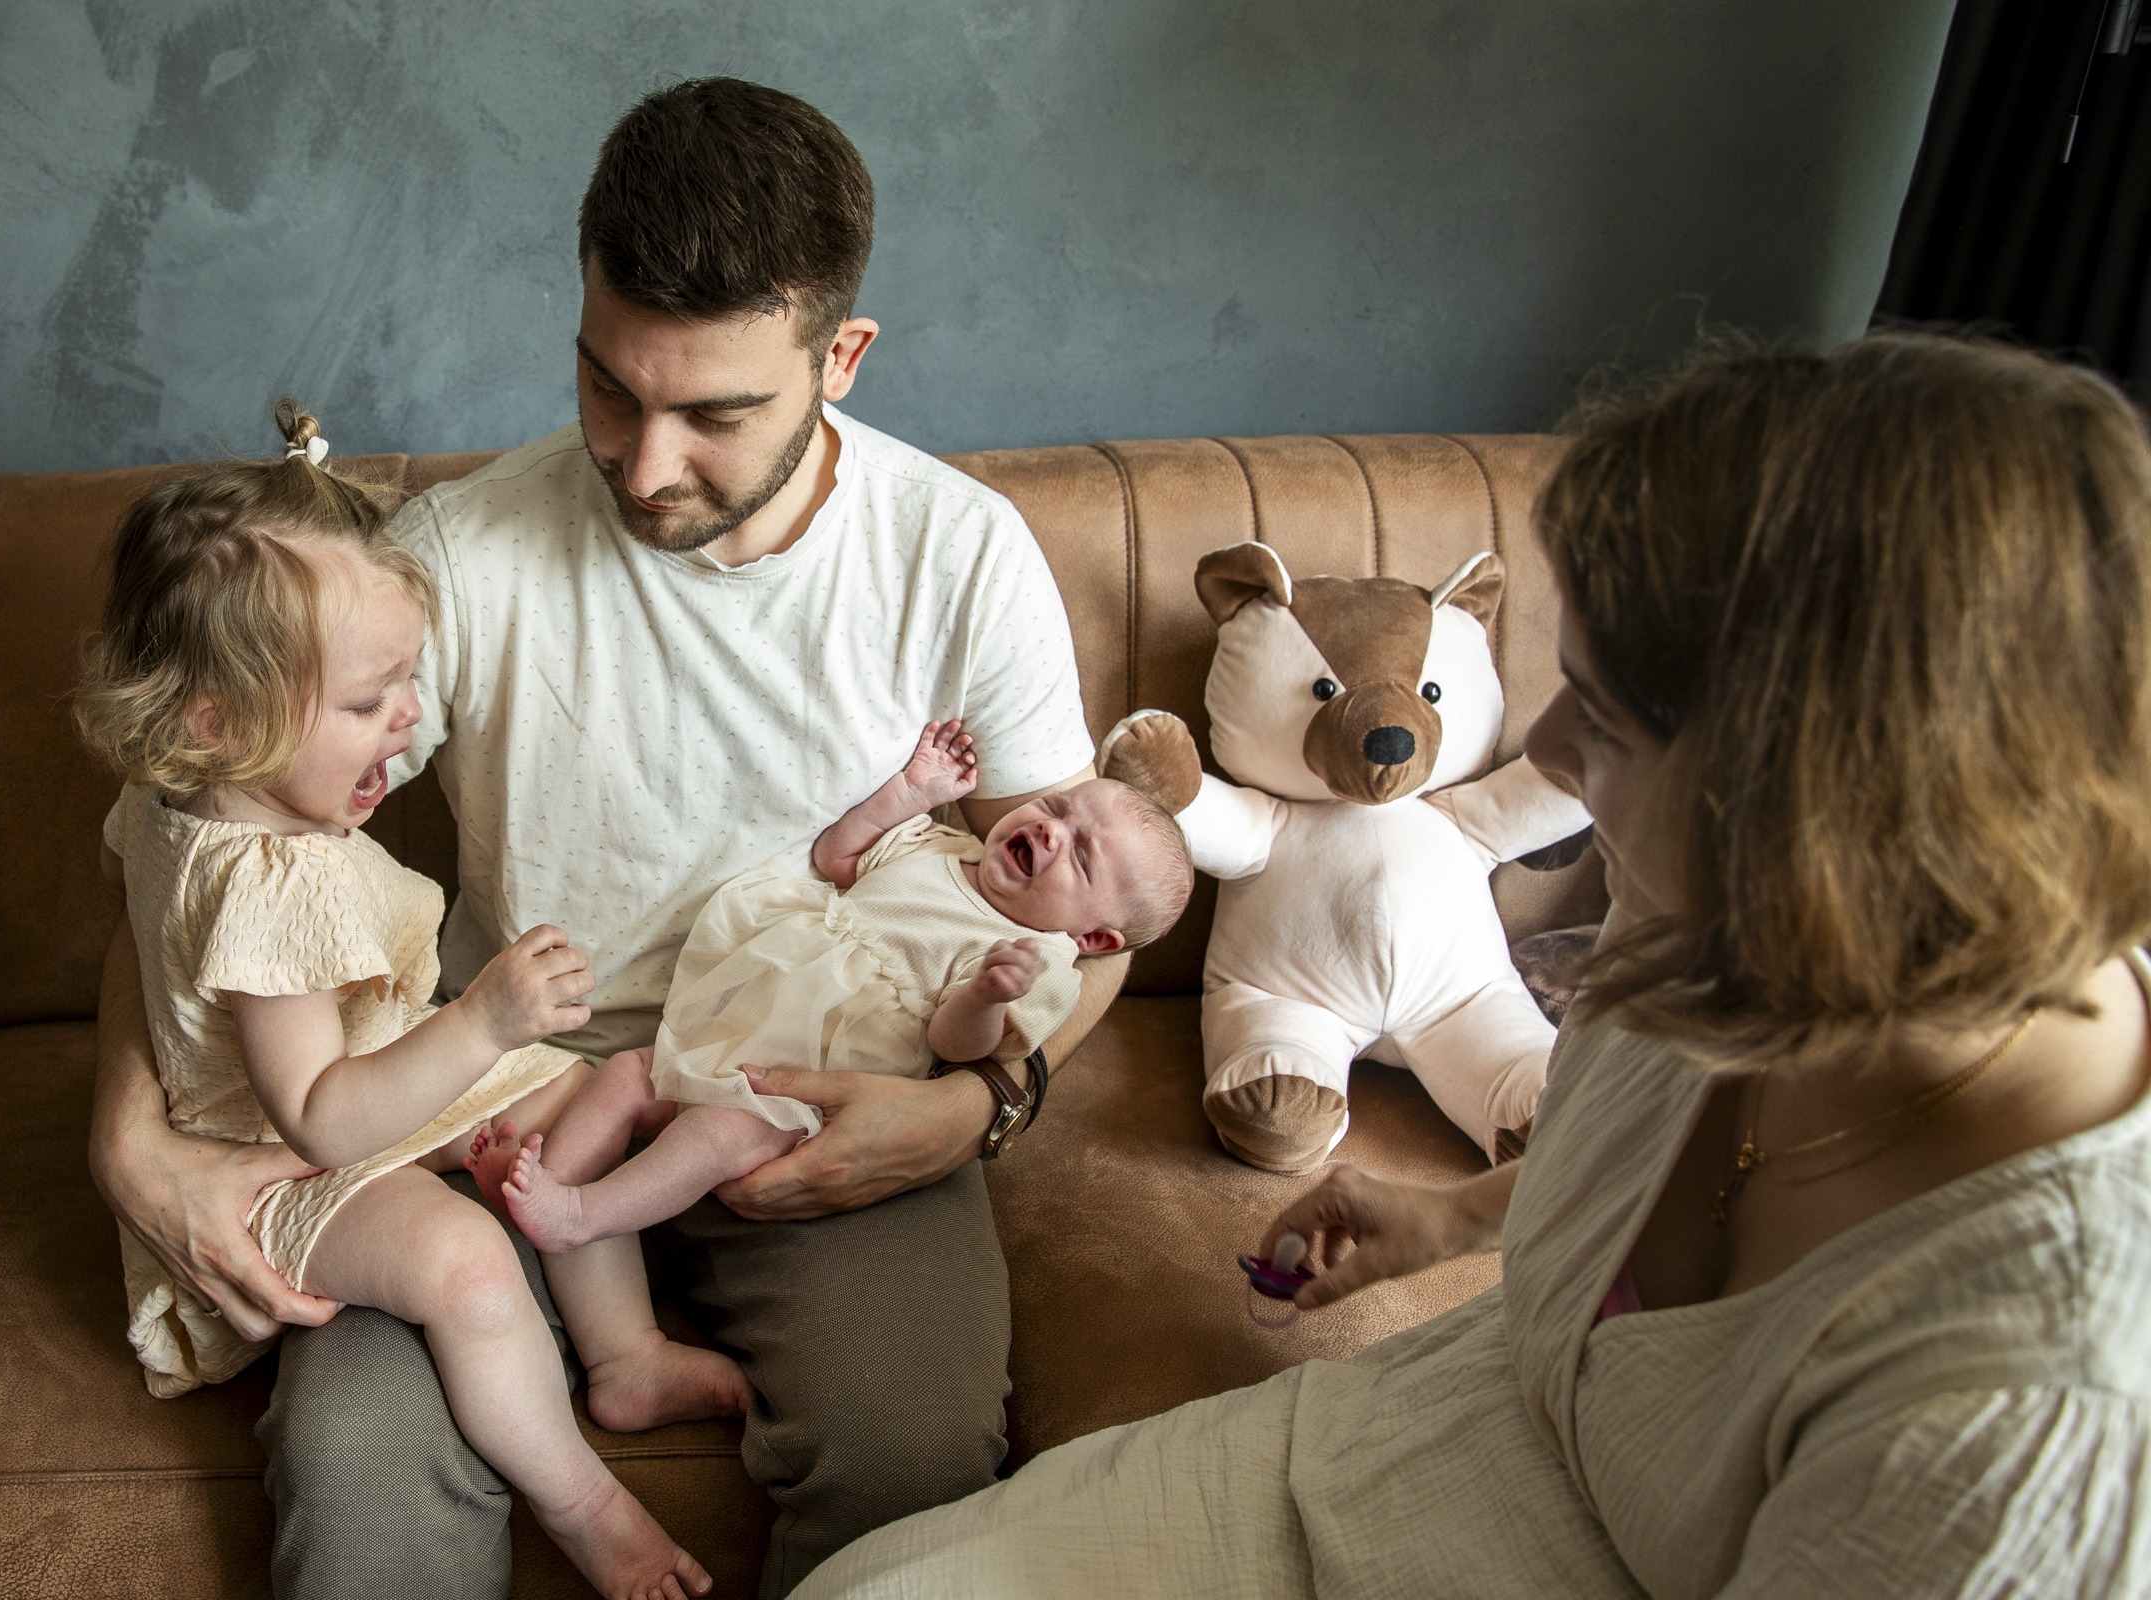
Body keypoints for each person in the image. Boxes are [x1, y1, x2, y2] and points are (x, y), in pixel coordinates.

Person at [791, 333, 2151, 1598]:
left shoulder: (2028, 1410)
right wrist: (1458, 1215)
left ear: (1821, 811)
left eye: (1605, 720)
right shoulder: (1726, 929)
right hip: (1404, 1446)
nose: (1547, 753)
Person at [86, 80, 1121, 1599]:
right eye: (607, 388)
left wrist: (980, 1110)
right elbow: (177, 849)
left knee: (914, 1471)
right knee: (360, 1482)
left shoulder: (958, 555)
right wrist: (130, 1137)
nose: (642, 467)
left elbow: (1088, 921)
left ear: (841, 358)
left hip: (821, 1100)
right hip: (497, 1109)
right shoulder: (457, 554)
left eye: (715, 415)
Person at [78, 402, 736, 1600]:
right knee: (470, 1267)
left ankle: (624, 1352)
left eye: (406, 687)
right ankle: (583, 1498)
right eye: (368, 702)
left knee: (567, 1094)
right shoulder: (273, 885)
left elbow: (127, 873)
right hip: (281, 1166)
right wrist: (480, 1020)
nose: (404, 724)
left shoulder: (168, 795)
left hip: (355, 1086)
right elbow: (324, 1122)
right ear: (216, 722)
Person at [472, 723, 1193, 1254]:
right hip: (742, 1023)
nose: (1053, 829)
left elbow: (958, 1049)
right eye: (1060, 810)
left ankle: (585, 1215)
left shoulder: (1035, 964)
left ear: (1094, 939)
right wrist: (910, 794)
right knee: (630, 1072)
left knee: (717, 1130)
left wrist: (984, 997)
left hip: (808, 1090)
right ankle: (544, 1184)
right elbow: (838, 856)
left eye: (1082, 854)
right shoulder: (946, 847)